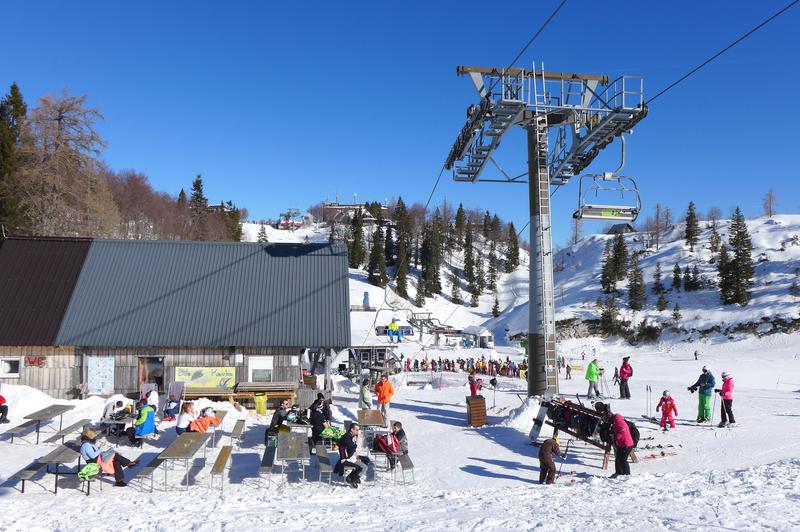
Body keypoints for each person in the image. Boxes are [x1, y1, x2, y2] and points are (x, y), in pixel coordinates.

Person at [335, 422, 371, 488]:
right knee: (361, 467)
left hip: (351, 457)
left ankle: (356, 477)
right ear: (352, 429)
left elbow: (350, 450)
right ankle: (350, 478)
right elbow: (351, 448)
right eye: (356, 430)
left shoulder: (349, 436)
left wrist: (356, 455)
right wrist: (357, 441)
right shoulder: (347, 437)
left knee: (366, 460)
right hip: (346, 460)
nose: (358, 432)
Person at [608, 412, 634, 478]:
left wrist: (616, 436)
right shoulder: (616, 421)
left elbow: (623, 430)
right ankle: (618, 473)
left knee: (623, 460)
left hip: (626, 444)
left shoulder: (618, 421)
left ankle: (627, 475)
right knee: (618, 458)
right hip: (622, 443)